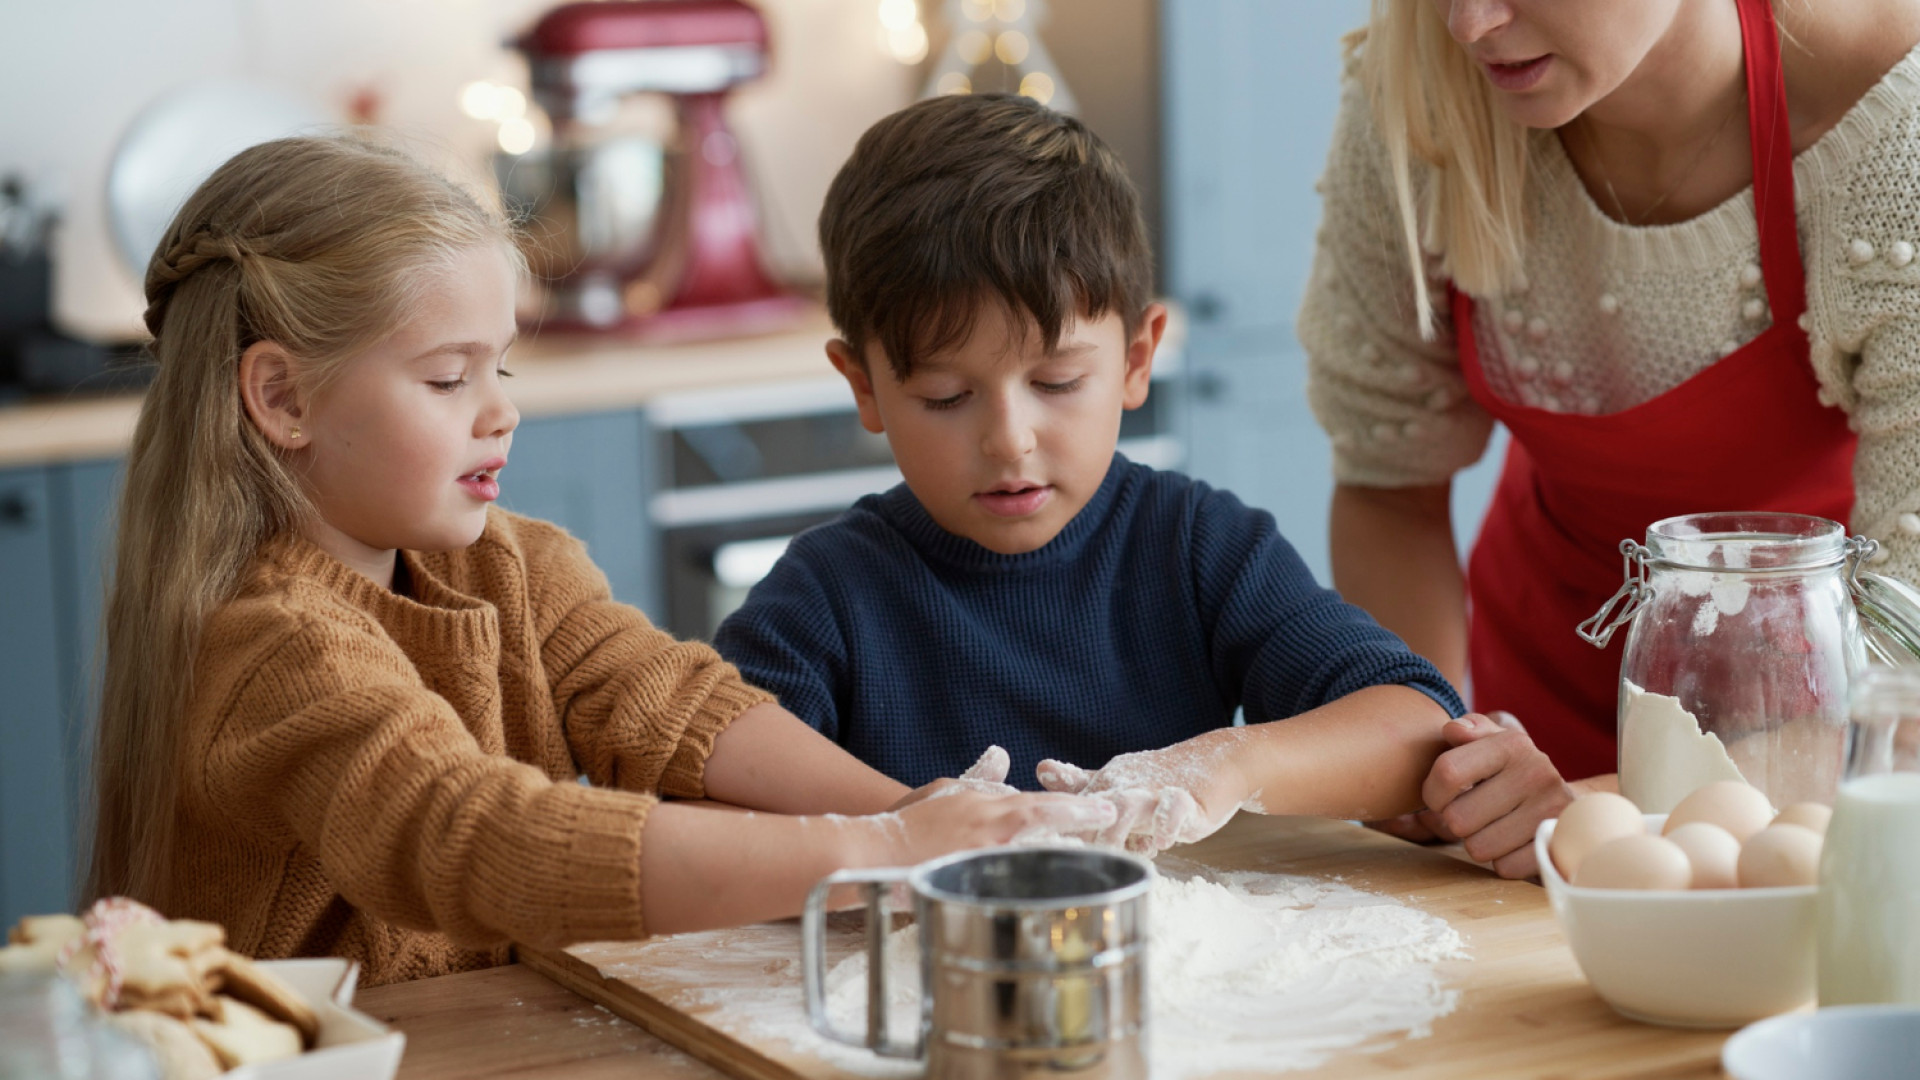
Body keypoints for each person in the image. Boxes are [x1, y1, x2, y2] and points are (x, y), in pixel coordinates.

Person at [84, 135, 1113, 986]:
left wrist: (901, 811)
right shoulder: (273, 649)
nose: (503, 410)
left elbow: (666, 703)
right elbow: (478, 837)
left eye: (503, 365)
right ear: (284, 400)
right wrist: (879, 858)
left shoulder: (513, 565)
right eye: (449, 379)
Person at [714, 92, 1500, 859]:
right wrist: (899, 823)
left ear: (1136, 359)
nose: (1009, 441)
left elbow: (1418, 725)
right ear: (864, 387)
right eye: (945, 397)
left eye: (1056, 383)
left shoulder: (1196, 546)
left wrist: (1223, 767)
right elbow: (703, 780)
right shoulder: (827, 594)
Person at [1301, 0, 1920, 860]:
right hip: (1531, 695)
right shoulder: (1419, 94)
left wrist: (1581, 808)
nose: (1469, 24)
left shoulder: (1890, 123)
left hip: (1812, 734)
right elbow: (1389, 486)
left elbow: (1905, 668)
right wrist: (1429, 739)